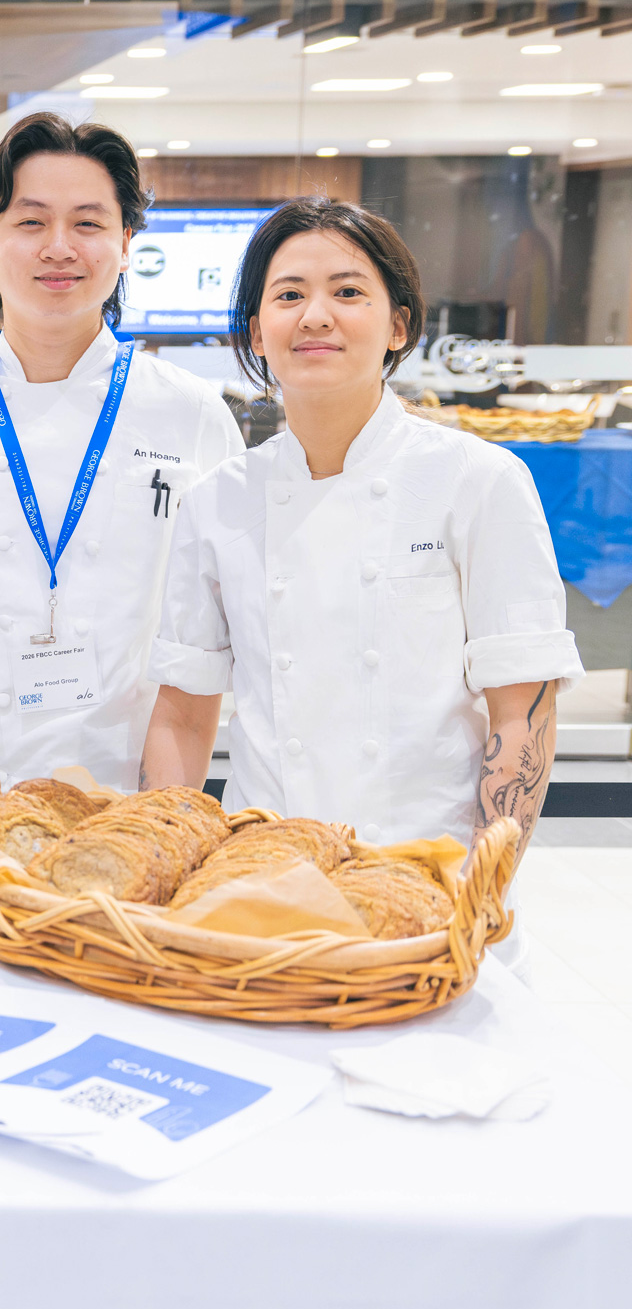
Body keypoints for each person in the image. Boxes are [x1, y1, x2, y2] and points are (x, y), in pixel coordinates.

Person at [140, 197, 581, 857]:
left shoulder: (478, 480)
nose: (316, 315)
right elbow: (181, 713)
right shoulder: (218, 501)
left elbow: (522, 707)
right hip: (264, 876)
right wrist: (164, 861)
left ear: (398, 326)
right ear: (257, 333)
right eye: (288, 294)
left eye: (347, 292)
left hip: (429, 877)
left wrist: (482, 889)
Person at [0, 111, 242, 815]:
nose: (60, 247)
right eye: (31, 222)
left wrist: (162, 820)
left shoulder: (191, 415)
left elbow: (205, 640)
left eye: (88, 223)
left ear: (126, 244)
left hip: (124, 800)